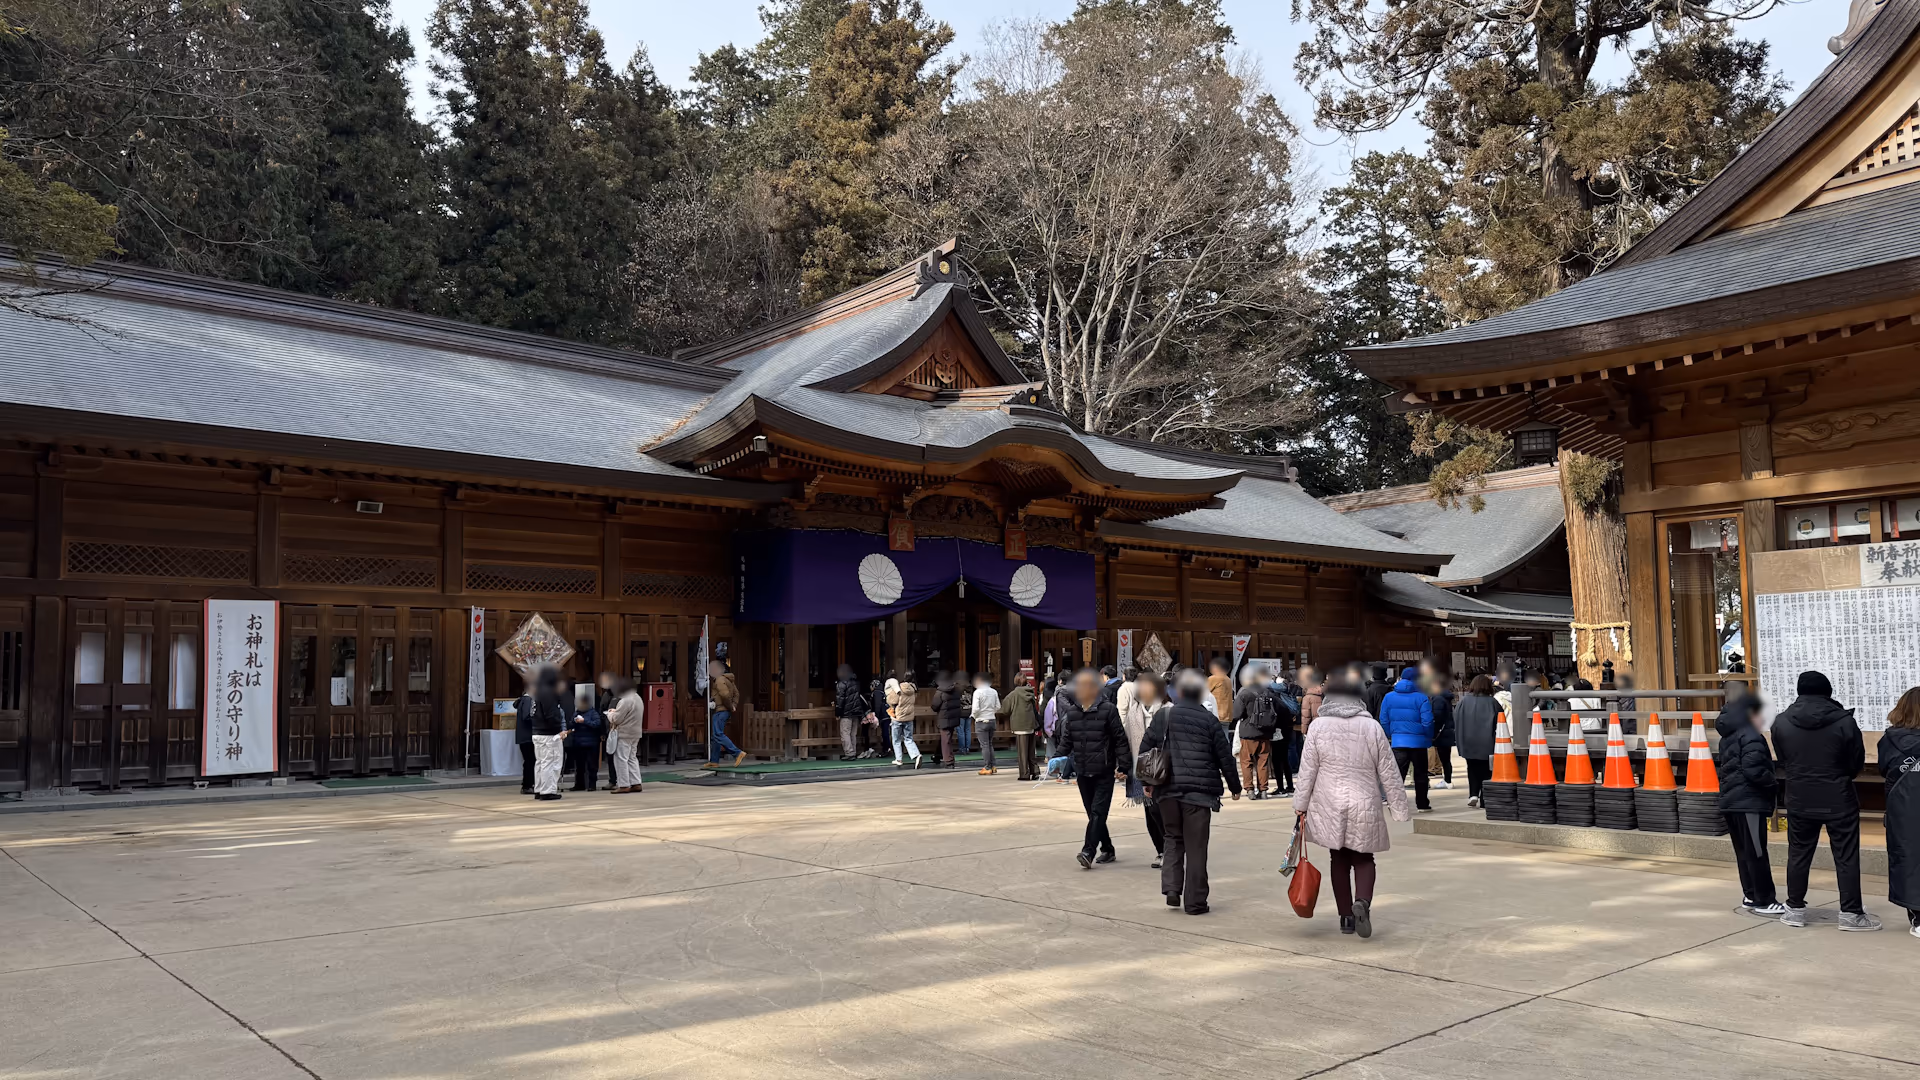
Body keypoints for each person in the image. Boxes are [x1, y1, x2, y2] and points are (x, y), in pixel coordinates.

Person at [1294, 671, 1411, 937]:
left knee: (1338, 859)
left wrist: (1300, 804)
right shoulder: (1371, 727)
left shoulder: (1318, 727)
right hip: (1364, 800)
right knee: (1364, 857)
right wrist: (1399, 807)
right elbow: (1389, 771)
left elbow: (1308, 770)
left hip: (1329, 801)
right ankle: (1363, 902)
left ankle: (1346, 917)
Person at [1772, 671, 1878, 930]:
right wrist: (1841, 777)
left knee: (1798, 853)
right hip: (1838, 797)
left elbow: (1784, 761)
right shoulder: (1844, 722)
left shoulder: (1781, 722)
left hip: (1799, 796)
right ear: (1828, 691)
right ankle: (1851, 914)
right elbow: (1855, 762)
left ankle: (1795, 909)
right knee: (1846, 856)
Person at [1139, 670, 1241, 914]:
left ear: (1179, 692)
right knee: (1196, 847)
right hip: (1199, 793)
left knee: (1172, 838)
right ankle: (1195, 903)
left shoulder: (1163, 716)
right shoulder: (1208, 720)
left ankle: (1172, 889)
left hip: (1167, 791)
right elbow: (1224, 757)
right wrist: (1235, 786)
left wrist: (1146, 782)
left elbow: (1145, 748)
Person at [1714, 693, 1780, 915]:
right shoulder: (1751, 735)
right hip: (1749, 802)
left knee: (1744, 852)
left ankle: (1751, 895)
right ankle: (1764, 899)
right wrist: (1773, 783)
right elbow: (1754, 770)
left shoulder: (1728, 736)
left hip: (1732, 801)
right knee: (1757, 852)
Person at [1059, 667, 1132, 868]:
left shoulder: (1108, 710)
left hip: (1104, 771)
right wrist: (1057, 758)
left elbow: (1120, 739)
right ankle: (1107, 848)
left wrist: (1124, 766)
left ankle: (1088, 851)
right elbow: (1067, 741)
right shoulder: (1073, 713)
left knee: (1098, 812)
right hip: (1083, 771)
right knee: (1094, 814)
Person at [1880, 688, 1920, 938]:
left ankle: (1917, 916)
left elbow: (1886, 770)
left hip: (1902, 807)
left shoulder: (1888, 740)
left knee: (1908, 857)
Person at [1122, 671, 1171, 868]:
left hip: (1166, 770)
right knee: (1150, 813)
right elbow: (1126, 739)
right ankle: (1161, 850)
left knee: (1164, 812)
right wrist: (1124, 765)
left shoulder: (1169, 709)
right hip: (1142, 769)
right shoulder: (1134, 711)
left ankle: (1172, 849)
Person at [1378, 666, 1435, 812]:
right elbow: (1428, 721)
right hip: (1419, 743)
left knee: (1397, 776)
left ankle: (1396, 805)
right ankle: (1422, 804)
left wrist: (1392, 734)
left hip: (1398, 742)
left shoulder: (1389, 697)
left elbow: (1383, 719)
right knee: (1420, 775)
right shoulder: (1422, 697)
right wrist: (1427, 737)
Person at [1231, 664, 1278, 800]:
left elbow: (1236, 714)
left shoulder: (1244, 693)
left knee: (1247, 762)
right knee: (1262, 763)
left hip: (1248, 733)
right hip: (1266, 733)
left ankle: (1250, 789)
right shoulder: (1268, 692)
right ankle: (1263, 790)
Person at [1455, 675, 1500, 808]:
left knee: (1472, 768)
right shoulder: (1493, 703)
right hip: (1488, 742)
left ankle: (1473, 793)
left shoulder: (1463, 702)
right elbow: (1501, 722)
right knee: (1487, 771)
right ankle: (1484, 799)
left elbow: (1456, 719)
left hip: (1467, 741)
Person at [525, 665, 569, 800]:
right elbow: (551, 714)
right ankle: (547, 790)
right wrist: (559, 729)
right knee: (551, 762)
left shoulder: (537, 692)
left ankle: (539, 788)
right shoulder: (549, 692)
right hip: (549, 733)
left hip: (537, 732)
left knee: (540, 762)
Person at [605, 677, 646, 793]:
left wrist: (610, 713)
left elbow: (616, 719)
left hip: (624, 733)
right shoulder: (638, 698)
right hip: (636, 732)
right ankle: (636, 782)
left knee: (621, 759)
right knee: (632, 758)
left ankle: (624, 785)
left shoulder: (625, 700)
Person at [704, 659, 746, 769]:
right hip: (723, 710)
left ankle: (737, 753)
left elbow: (724, 695)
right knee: (715, 736)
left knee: (717, 734)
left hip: (720, 710)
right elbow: (736, 693)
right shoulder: (728, 680)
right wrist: (734, 705)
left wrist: (729, 706)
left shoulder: (719, 680)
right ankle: (714, 760)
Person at [998, 671, 1040, 780]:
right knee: (1031, 751)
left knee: (1022, 752)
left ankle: (1024, 774)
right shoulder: (1030, 692)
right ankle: (1035, 771)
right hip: (1031, 724)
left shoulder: (1013, 694)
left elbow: (1005, 710)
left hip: (1020, 725)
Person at [566, 683, 606, 791]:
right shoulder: (576, 713)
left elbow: (597, 724)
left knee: (592, 766)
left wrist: (584, 721)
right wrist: (574, 722)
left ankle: (592, 784)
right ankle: (579, 784)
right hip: (578, 743)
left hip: (591, 743)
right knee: (579, 766)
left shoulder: (593, 713)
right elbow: (570, 724)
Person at [1270, 669, 1301, 796]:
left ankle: (1280, 787)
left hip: (1278, 728)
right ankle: (1289, 785)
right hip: (1289, 726)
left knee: (1277, 759)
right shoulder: (1294, 690)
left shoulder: (1279, 694)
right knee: (1285, 757)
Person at [1425, 668, 1455, 790]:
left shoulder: (1437, 698)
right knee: (1446, 758)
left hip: (1441, 732)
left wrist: (1433, 732)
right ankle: (1447, 779)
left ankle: (1447, 780)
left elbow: (1437, 716)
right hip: (1447, 730)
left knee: (1444, 758)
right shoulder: (1445, 696)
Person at [1292, 665, 1322, 782]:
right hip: (1323, 726)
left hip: (1312, 728)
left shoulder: (1308, 697)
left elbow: (1305, 715)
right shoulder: (1323, 693)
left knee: (1310, 752)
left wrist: (1303, 730)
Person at [886, 675, 922, 768]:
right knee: (908, 738)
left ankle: (899, 759)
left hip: (898, 717)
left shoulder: (898, 688)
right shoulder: (913, 690)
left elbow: (891, 700)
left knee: (896, 739)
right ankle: (916, 755)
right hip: (909, 718)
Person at [833, 664, 868, 761]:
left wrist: (838, 713)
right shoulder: (856, 683)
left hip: (846, 712)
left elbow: (840, 701)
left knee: (845, 733)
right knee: (853, 733)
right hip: (856, 712)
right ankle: (853, 751)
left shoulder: (841, 684)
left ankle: (849, 753)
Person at [932, 672, 965, 769]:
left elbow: (934, 706)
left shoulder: (940, 692)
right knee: (948, 738)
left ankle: (949, 761)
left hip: (943, 717)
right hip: (953, 717)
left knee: (945, 740)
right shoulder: (956, 690)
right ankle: (938, 755)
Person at [971, 672, 1002, 775]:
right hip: (992, 719)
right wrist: (991, 712)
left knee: (984, 745)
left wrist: (975, 716)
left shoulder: (977, 692)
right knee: (989, 744)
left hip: (981, 720)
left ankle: (987, 766)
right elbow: (998, 706)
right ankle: (993, 765)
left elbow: (975, 709)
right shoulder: (994, 691)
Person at [513, 682, 538, 795]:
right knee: (530, 761)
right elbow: (527, 716)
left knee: (529, 760)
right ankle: (528, 785)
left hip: (524, 736)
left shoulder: (523, 700)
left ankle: (528, 784)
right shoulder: (528, 700)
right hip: (528, 735)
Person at [1206, 658, 1233, 725]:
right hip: (1227, 716)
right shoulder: (1228, 679)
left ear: (1216, 667)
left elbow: (1202, 691)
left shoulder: (1214, 678)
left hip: (1217, 715)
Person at [956, 670, 975, 756]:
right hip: (969, 710)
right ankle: (967, 748)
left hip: (960, 711)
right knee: (967, 730)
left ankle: (962, 749)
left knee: (960, 731)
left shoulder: (957, 688)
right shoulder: (970, 687)